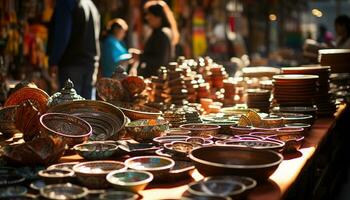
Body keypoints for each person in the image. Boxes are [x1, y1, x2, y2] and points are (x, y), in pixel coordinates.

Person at [48, 0, 100, 99]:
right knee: (88, 109)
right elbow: (97, 37)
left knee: (71, 108)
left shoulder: (66, 3)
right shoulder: (91, 5)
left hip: (72, 63)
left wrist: (54, 60)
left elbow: (62, 35)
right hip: (90, 63)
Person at [131, 0, 179, 78]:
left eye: (150, 15)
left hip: (156, 79)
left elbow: (160, 60)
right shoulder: (159, 32)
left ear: (158, 17)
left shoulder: (162, 34)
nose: (147, 18)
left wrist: (140, 56)